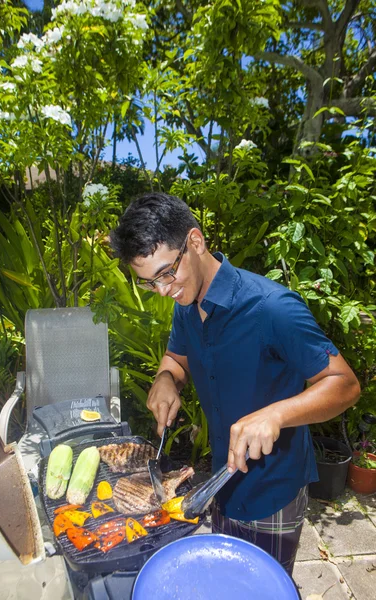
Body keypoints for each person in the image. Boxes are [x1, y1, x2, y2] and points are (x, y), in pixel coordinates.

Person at [109, 192, 360, 575]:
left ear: (195, 242)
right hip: (223, 484)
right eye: (149, 283)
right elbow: (178, 357)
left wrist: (275, 414)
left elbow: (344, 383)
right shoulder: (187, 305)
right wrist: (165, 378)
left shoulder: (272, 307)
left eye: (166, 273)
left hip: (272, 490)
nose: (162, 290)